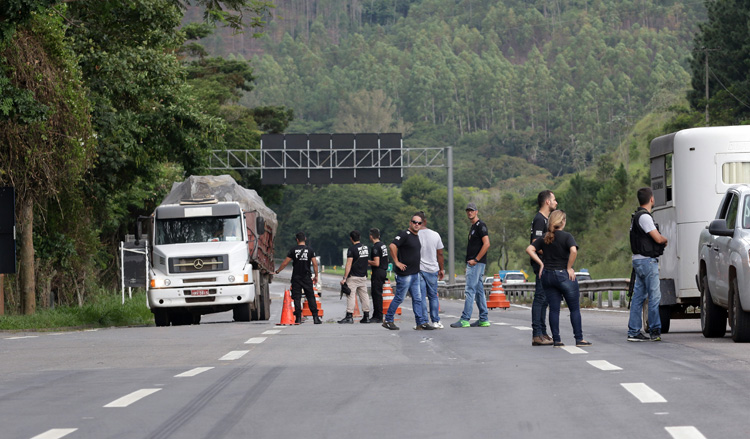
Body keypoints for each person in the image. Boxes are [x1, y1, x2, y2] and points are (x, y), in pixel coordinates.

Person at [526, 210, 591, 347]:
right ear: (563, 222)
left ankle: (557, 340)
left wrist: (542, 263)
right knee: (574, 309)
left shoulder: (545, 237)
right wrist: (569, 267)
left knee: (554, 309)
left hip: (548, 276)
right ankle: (579, 339)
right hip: (563, 275)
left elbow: (530, 249)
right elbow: (573, 251)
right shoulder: (567, 236)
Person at [627, 187, 668, 342]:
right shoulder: (645, 217)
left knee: (638, 296)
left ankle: (633, 331)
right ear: (651, 199)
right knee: (654, 296)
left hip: (638, 260)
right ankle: (655, 330)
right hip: (647, 261)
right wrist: (665, 240)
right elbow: (657, 238)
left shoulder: (636, 217)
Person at [382, 213, 433, 331]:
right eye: (414, 222)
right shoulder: (404, 234)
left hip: (415, 273)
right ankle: (388, 320)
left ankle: (421, 322)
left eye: (419, 223)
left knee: (417, 299)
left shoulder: (416, 236)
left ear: (421, 224)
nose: (416, 224)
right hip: (405, 274)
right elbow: (392, 246)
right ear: (410, 223)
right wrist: (397, 261)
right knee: (399, 298)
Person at [451, 203, 491, 328]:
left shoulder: (480, 225)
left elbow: (487, 244)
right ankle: (483, 319)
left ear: (476, 212)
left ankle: (465, 319)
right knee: (479, 291)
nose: (469, 213)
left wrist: (476, 260)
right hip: (473, 263)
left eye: (472, 210)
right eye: (468, 210)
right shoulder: (473, 227)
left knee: (469, 290)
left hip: (476, 263)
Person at [274, 232, 321, 324]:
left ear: (297, 240)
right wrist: (316, 276)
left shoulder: (293, 250)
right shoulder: (310, 250)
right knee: (310, 296)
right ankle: (315, 318)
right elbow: (315, 264)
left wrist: (277, 271)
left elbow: (285, 263)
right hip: (307, 277)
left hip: (296, 277)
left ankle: (298, 318)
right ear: (305, 239)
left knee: (297, 297)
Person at [530, 190, 557, 346]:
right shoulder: (539, 220)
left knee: (545, 299)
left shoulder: (546, 219)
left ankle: (543, 332)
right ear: (547, 201)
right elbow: (536, 243)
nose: (556, 202)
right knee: (540, 298)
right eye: (554, 199)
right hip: (541, 263)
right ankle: (536, 334)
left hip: (547, 263)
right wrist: (550, 253)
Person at [417, 212, 445, 329]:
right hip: (432, 269)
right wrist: (442, 269)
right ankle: (436, 320)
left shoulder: (414, 235)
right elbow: (440, 253)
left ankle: (424, 321)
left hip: (418, 269)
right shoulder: (435, 235)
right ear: (425, 221)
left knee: (421, 296)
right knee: (433, 296)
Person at [339, 230, 371, 324]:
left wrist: (345, 278)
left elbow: (348, 264)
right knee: (364, 296)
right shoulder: (365, 248)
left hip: (353, 276)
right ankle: (366, 316)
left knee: (351, 295)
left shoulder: (351, 249)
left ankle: (349, 316)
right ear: (359, 237)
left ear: (351, 238)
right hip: (363, 276)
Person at [367, 228, 389, 323]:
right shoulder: (383, 245)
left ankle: (378, 316)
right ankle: (377, 315)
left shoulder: (375, 247)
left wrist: (366, 261)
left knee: (376, 294)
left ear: (371, 236)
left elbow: (376, 263)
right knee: (377, 293)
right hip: (383, 271)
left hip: (378, 271)